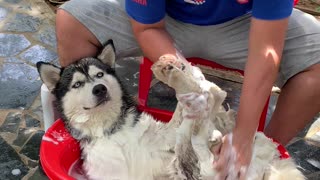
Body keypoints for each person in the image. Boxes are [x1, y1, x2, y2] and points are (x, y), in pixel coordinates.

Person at [56, 0, 320, 178]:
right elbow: (148, 27)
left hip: (246, 23)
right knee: (72, 20)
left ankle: (258, 155)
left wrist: (244, 135)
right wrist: (189, 78)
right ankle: (93, 139)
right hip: (166, 21)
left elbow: (266, 50)